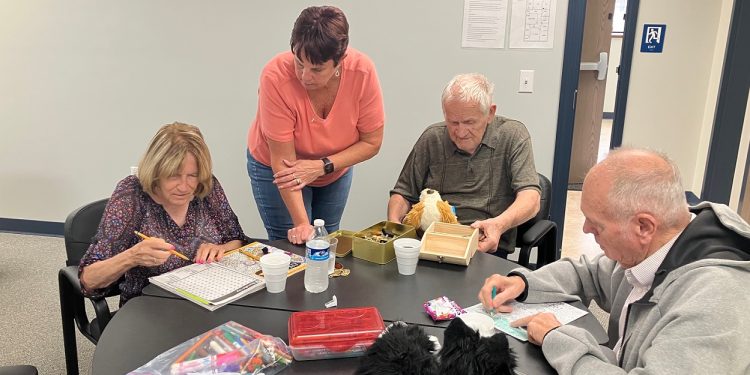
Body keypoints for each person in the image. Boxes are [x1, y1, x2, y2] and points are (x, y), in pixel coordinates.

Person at [478, 148, 750, 374]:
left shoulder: (715, 304)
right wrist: (523, 283)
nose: (585, 230)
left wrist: (557, 339)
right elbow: (589, 272)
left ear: (644, 226)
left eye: (596, 224)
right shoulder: (657, 246)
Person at [247, 5, 385, 244]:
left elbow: (372, 142)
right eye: (299, 63)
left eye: (317, 69)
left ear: (340, 60)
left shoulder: (362, 72)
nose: (305, 76)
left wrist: (322, 167)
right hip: (278, 168)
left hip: (333, 170)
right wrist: (301, 224)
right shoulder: (275, 77)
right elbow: (283, 162)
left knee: (325, 242)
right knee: (293, 246)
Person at [79, 122, 248, 306]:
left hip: (209, 300)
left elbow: (238, 241)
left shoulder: (206, 187)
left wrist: (221, 249)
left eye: (192, 175)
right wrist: (132, 256)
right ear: (156, 171)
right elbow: (89, 281)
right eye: (174, 175)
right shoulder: (132, 196)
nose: (184, 187)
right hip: (152, 309)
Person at [388, 73, 540, 254]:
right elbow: (403, 193)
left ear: (490, 113)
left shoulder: (513, 135)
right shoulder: (432, 138)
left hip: (485, 245)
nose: (460, 132)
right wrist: (395, 226)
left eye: (469, 122)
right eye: (453, 122)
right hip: (432, 243)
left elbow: (531, 198)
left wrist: (499, 225)